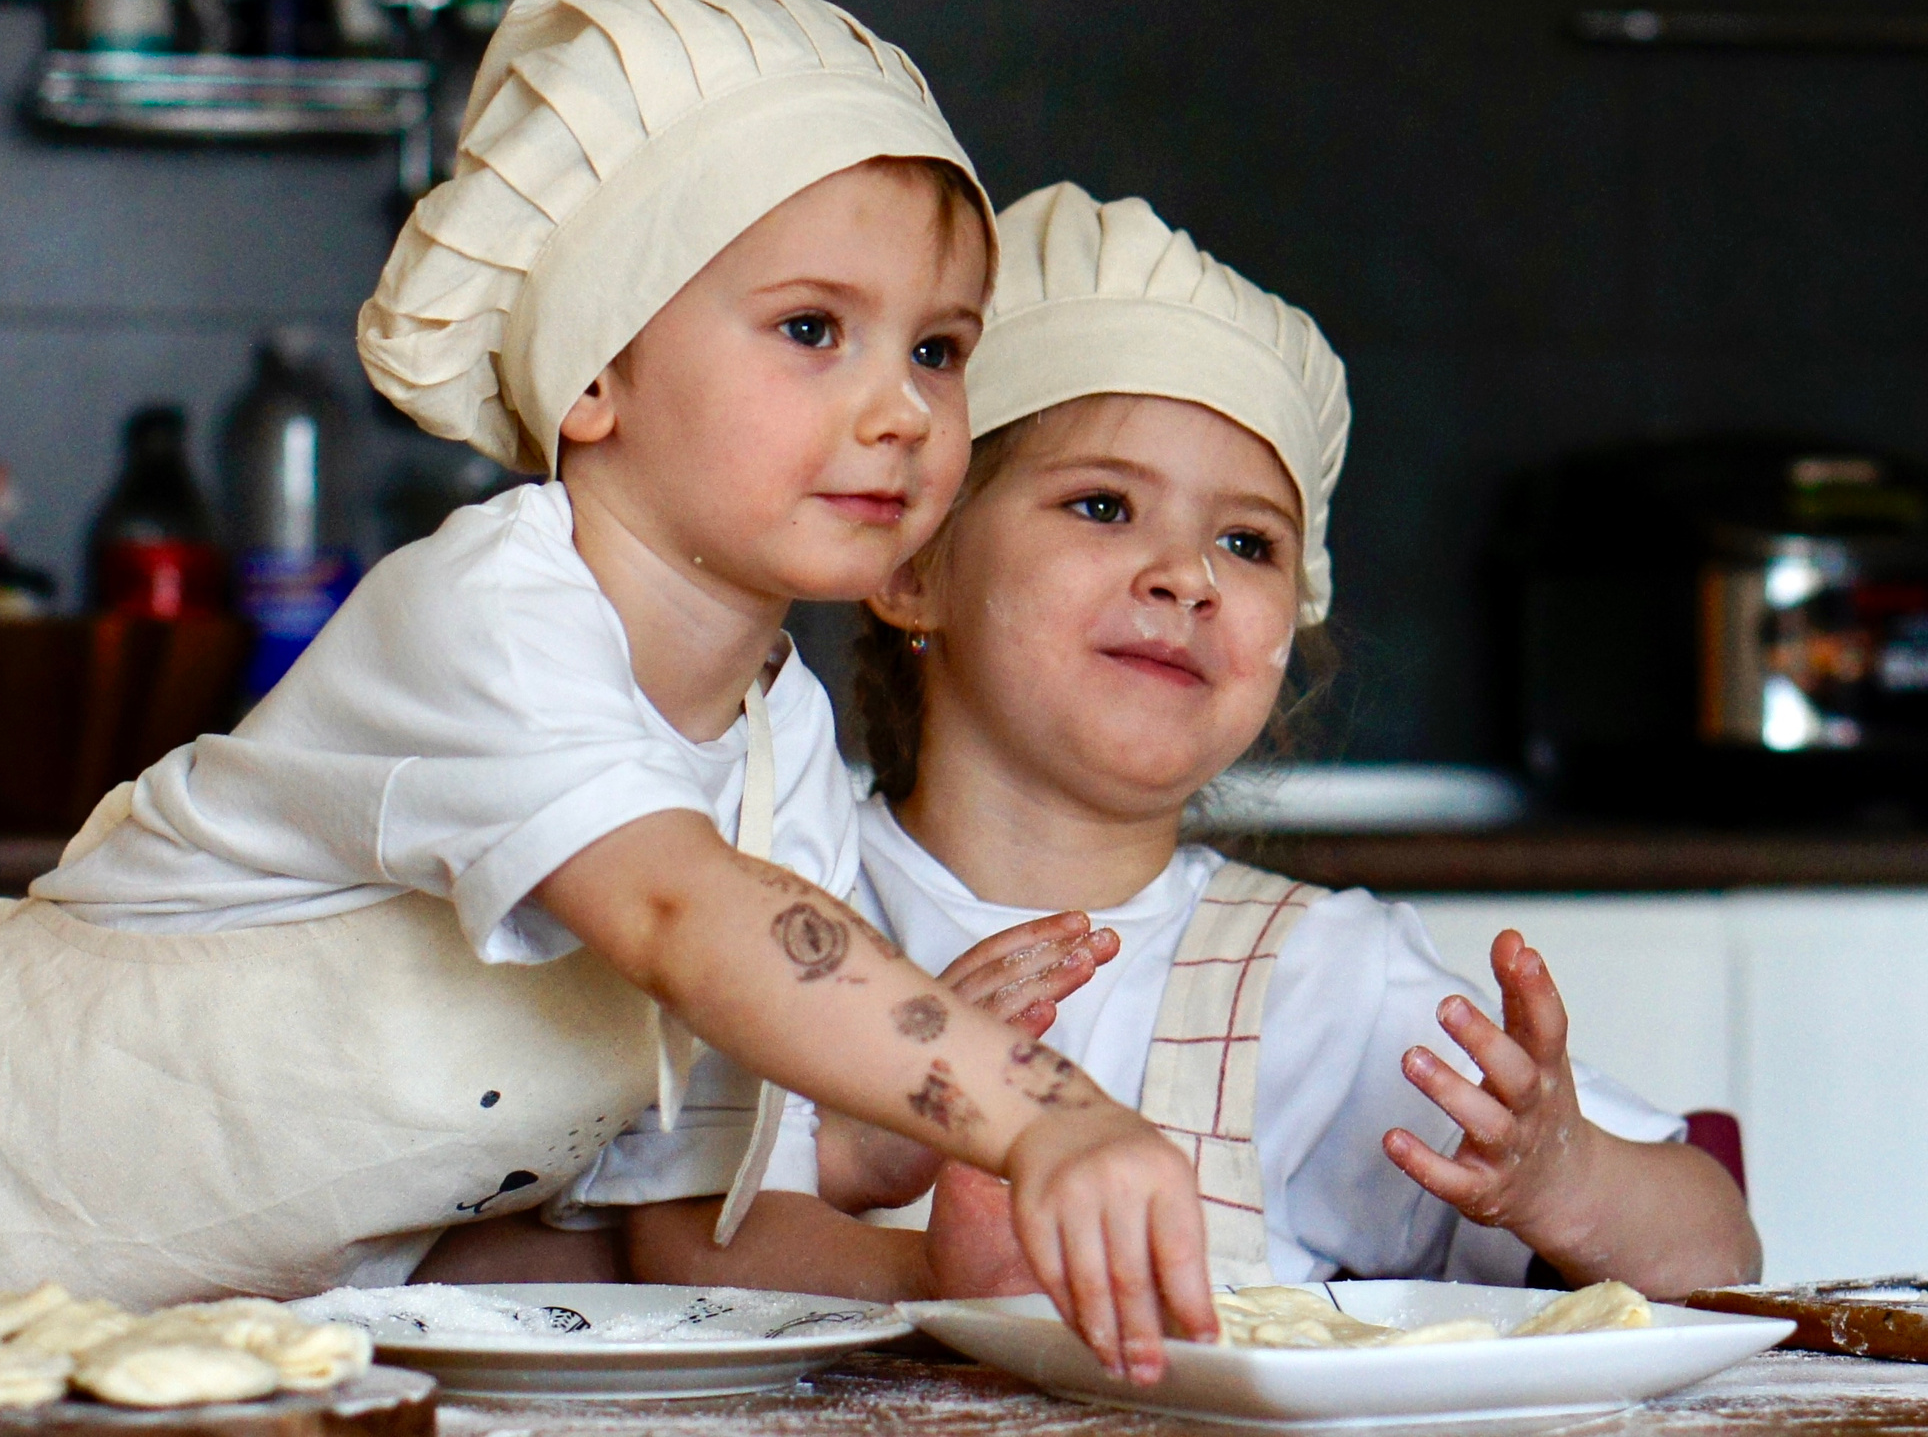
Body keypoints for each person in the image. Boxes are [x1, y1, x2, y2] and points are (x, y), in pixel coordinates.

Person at [0, 0, 1222, 1383]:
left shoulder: (776, 753)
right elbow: (682, 918)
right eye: (813, 329)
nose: (904, 407)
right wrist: (1033, 1106)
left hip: (127, 1348)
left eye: (939, 347)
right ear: (593, 381)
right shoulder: (494, 610)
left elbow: (593, 1225)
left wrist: (919, 1196)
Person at [628, 181, 1762, 1308]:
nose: (1189, 576)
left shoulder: (1323, 983)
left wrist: (1564, 1177)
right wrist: (929, 1274)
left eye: (1247, 542)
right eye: (1104, 507)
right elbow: (674, 1257)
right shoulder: (747, 895)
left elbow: (1717, 1251)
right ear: (914, 566)